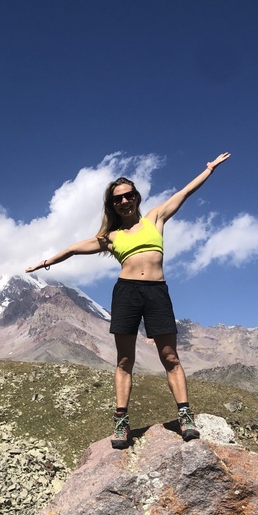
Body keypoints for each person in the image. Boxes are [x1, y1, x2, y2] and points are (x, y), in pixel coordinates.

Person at [25, 152, 231, 448]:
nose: (123, 201)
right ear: (111, 205)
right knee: (124, 360)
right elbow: (72, 249)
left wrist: (209, 169)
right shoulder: (109, 236)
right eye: (117, 199)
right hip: (126, 293)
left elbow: (185, 192)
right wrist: (44, 262)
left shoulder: (155, 218)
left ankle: (185, 416)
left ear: (136, 197)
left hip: (157, 292)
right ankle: (121, 422)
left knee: (170, 357)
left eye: (128, 196)